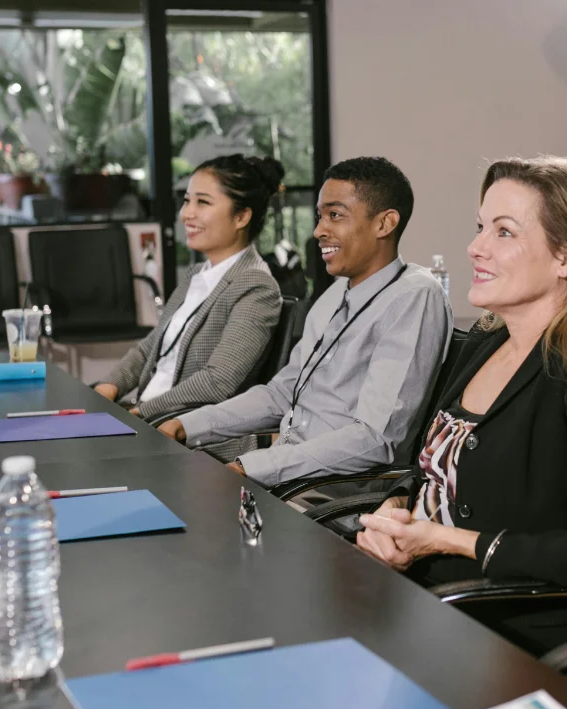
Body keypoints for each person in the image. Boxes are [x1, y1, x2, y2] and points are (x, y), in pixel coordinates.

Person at [356, 156, 567, 598]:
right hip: (413, 594)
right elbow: (434, 466)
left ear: (566, 257)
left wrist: (447, 540)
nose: (475, 247)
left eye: (503, 231)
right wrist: (394, 508)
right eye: (480, 227)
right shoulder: (485, 341)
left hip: (486, 620)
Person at [158, 157, 453, 488]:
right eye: (320, 216)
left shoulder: (414, 295)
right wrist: (185, 425)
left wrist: (249, 467)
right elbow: (282, 394)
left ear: (384, 224)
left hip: (326, 494)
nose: (318, 231)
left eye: (335, 215)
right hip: (283, 479)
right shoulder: (334, 295)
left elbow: (375, 438)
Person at [94, 155, 283, 424]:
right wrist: (107, 387)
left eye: (202, 202)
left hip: (186, 431)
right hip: (149, 416)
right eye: (186, 201)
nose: (186, 214)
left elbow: (218, 381)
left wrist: (140, 414)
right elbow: (151, 348)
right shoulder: (197, 275)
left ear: (241, 216)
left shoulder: (256, 287)